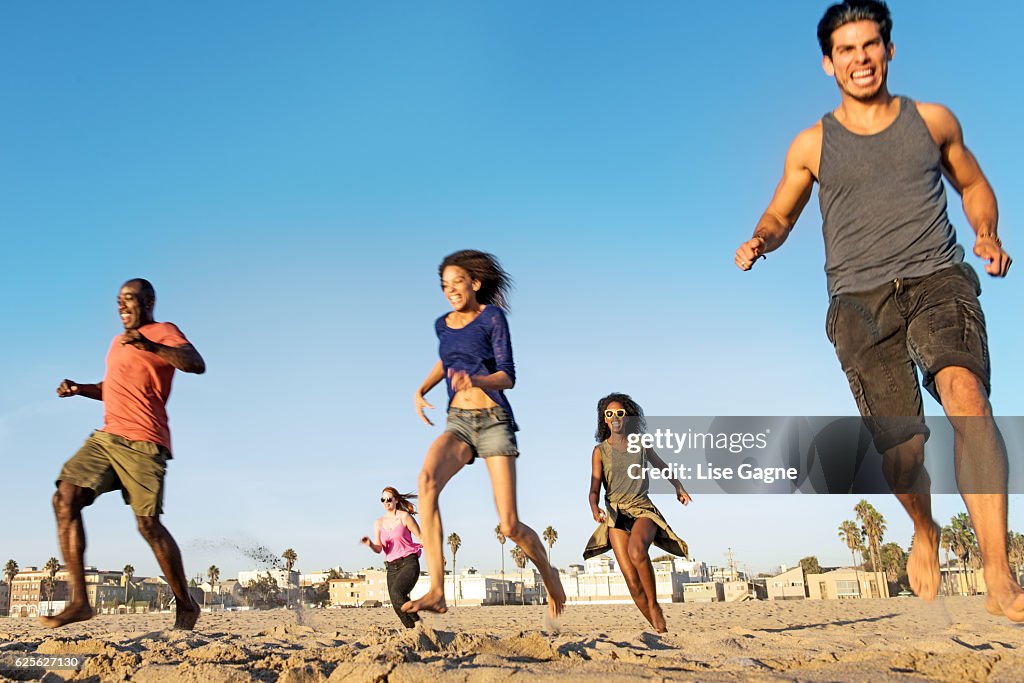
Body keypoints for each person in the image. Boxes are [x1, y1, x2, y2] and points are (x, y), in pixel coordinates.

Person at [733, 0, 1021, 621]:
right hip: (860, 304)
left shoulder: (933, 121)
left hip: (937, 277)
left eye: (870, 45)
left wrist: (987, 232)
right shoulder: (812, 144)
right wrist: (761, 239)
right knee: (903, 451)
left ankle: (1000, 575)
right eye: (846, 50)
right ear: (828, 62)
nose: (860, 58)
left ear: (889, 50)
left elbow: (972, 184)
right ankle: (925, 528)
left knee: (966, 394)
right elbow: (781, 213)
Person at [403, 249, 566, 619]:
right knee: (426, 481)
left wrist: (474, 378)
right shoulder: (442, 324)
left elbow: (507, 376)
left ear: (474, 283)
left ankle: (548, 572)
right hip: (458, 421)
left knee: (509, 524)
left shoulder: (492, 317)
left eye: (457, 281)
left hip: (493, 420)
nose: (450, 289)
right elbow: (447, 357)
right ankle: (438, 591)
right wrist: (422, 388)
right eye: (445, 285)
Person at [42, 278, 206, 629]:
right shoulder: (117, 343)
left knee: (148, 525)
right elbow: (113, 389)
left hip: (145, 442)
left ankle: (186, 604)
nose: (121, 306)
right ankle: (79, 602)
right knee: (65, 497)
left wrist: (151, 345)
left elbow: (195, 363)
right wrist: (79, 389)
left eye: (129, 299)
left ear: (147, 302)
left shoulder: (163, 331)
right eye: (118, 300)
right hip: (108, 437)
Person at [585, 393, 691, 633]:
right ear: (604, 420)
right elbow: (593, 488)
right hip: (615, 513)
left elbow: (662, 466)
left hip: (642, 508)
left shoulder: (640, 444)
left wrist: (679, 487)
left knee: (637, 550)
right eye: (609, 414)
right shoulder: (599, 451)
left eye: (619, 413)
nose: (614, 418)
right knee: (632, 583)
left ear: (628, 417)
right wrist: (594, 507)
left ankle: (654, 605)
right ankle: (660, 629)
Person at [361, 487, 424, 629]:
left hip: (409, 562)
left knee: (397, 593)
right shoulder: (378, 523)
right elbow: (379, 548)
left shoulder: (404, 517)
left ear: (396, 500)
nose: (386, 502)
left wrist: (438, 554)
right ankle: (413, 631)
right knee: (396, 603)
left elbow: (421, 538)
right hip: (391, 567)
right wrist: (370, 544)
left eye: (389, 499)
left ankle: (418, 623)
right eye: (383, 499)